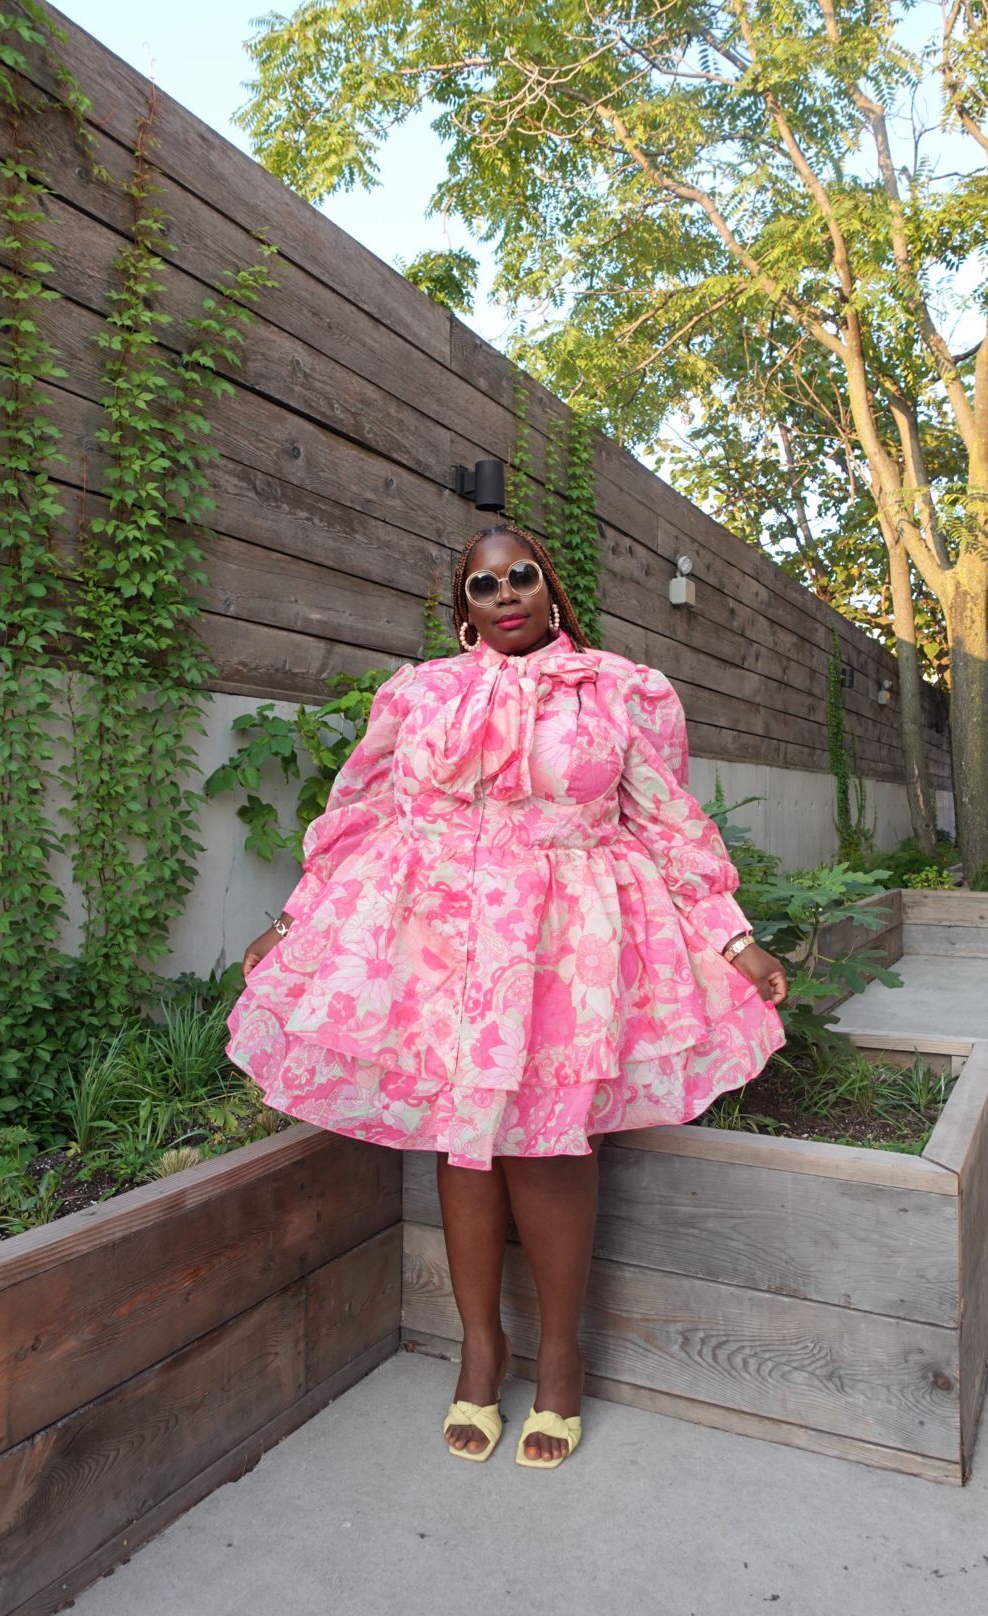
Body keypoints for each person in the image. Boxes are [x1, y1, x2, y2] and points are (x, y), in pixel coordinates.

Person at [226, 521, 789, 1470]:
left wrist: (732, 936)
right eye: (482, 586)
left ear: (552, 587)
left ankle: (562, 1361)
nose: (505, 595)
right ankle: (480, 1353)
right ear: (464, 610)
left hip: (569, 944)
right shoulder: (419, 695)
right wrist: (293, 918)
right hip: (443, 947)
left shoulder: (619, 689)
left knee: (552, 1148)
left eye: (521, 576)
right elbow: (359, 812)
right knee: (469, 1148)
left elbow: (666, 819)